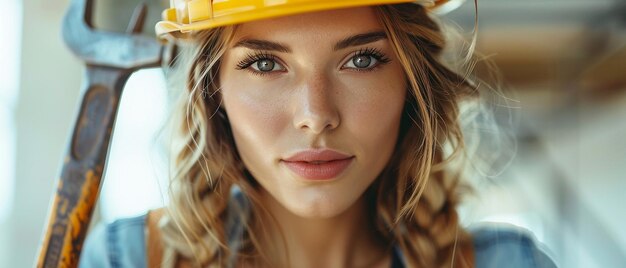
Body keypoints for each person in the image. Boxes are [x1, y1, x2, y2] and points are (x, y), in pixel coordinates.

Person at [79, 0, 557, 267]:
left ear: (413, 85)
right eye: (265, 64)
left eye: (361, 60)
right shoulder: (129, 261)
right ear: (213, 92)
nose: (316, 115)